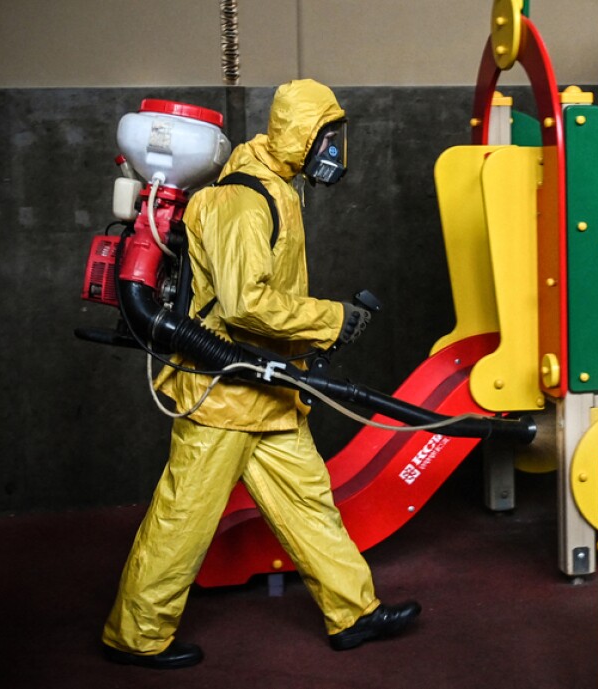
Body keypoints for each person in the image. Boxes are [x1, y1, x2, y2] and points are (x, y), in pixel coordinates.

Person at [101, 79, 420, 669]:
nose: (334, 152)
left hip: (264, 389)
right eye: (328, 138)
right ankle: (136, 635)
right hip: (221, 392)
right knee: (185, 516)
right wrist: (332, 318)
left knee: (308, 501)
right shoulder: (242, 201)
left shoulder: (278, 188)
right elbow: (246, 303)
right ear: (301, 136)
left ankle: (354, 612)